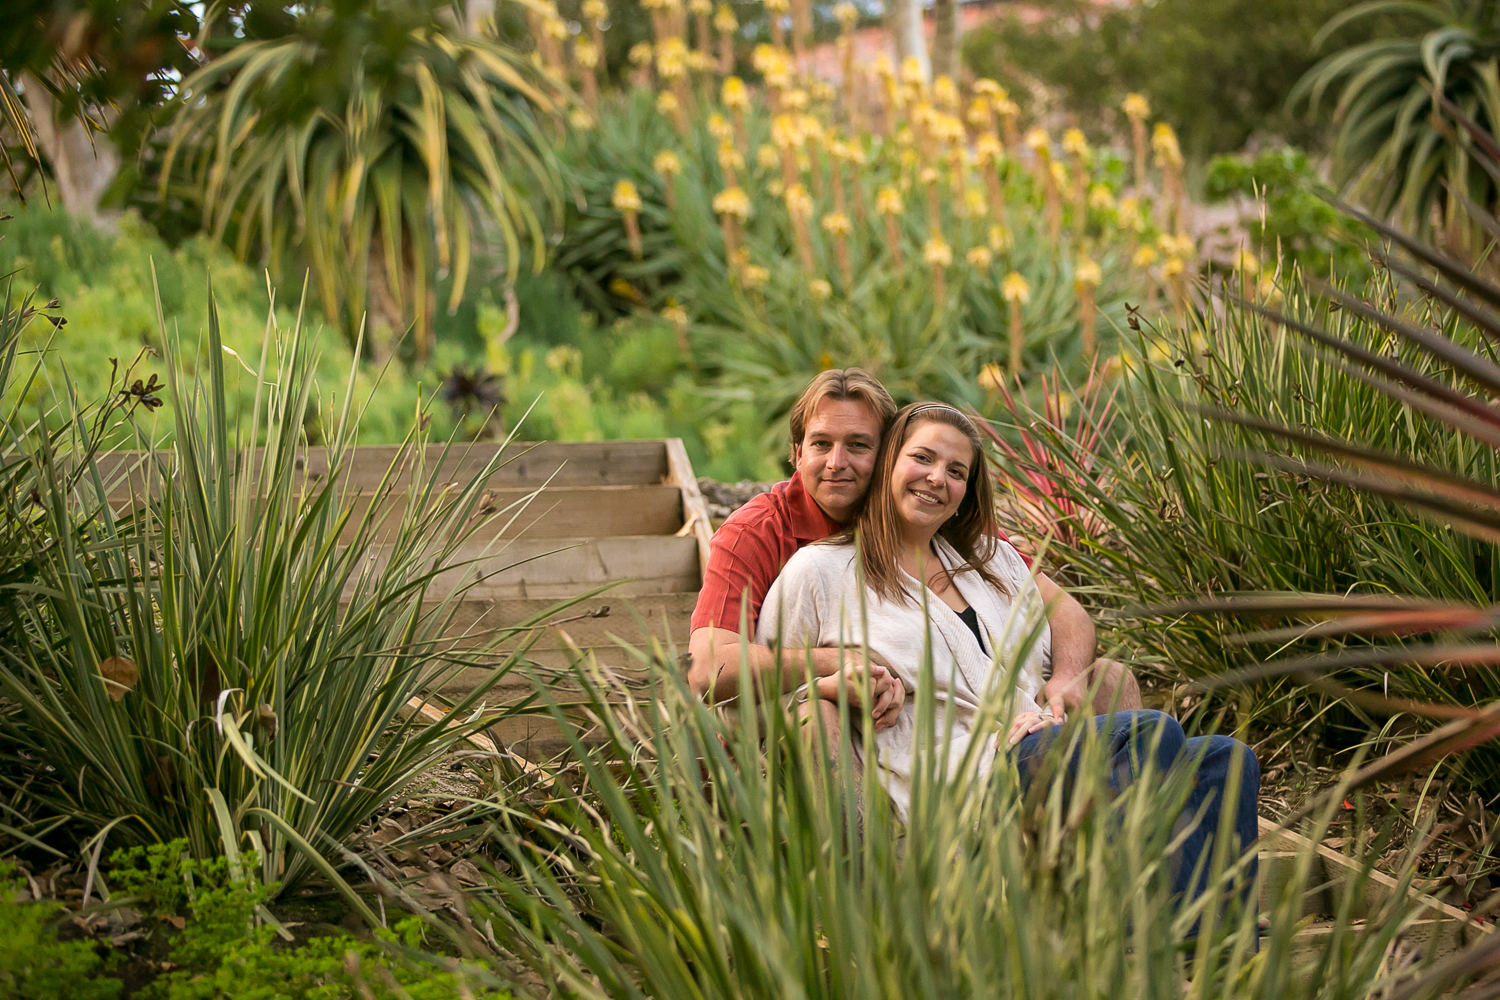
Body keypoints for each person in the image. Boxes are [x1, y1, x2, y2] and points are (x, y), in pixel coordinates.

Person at [755, 402, 1259, 905]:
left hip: (1038, 744)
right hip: (959, 780)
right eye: (923, 459)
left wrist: (1057, 694)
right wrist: (830, 683)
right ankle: (1125, 917)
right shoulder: (821, 572)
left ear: (965, 493)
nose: (936, 479)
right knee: (1150, 731)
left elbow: (1061, 632)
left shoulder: (990, 563)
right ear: (889, 463)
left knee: (1228, 758)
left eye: (956, 472)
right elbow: (771, 699)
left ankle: (1211, 934)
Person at [685, 368, 1140, 740]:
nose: (836, 463)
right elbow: (711, 669)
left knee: (1121, 688)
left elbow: (1061, 609)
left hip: (980, 724)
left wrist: (1064, 679)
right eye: (821, 443)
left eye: (859, 445)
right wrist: (838, 661)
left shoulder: (928, 522)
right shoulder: (761, 532)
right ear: (796, 452)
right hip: (805, 724)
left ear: (887, 456)